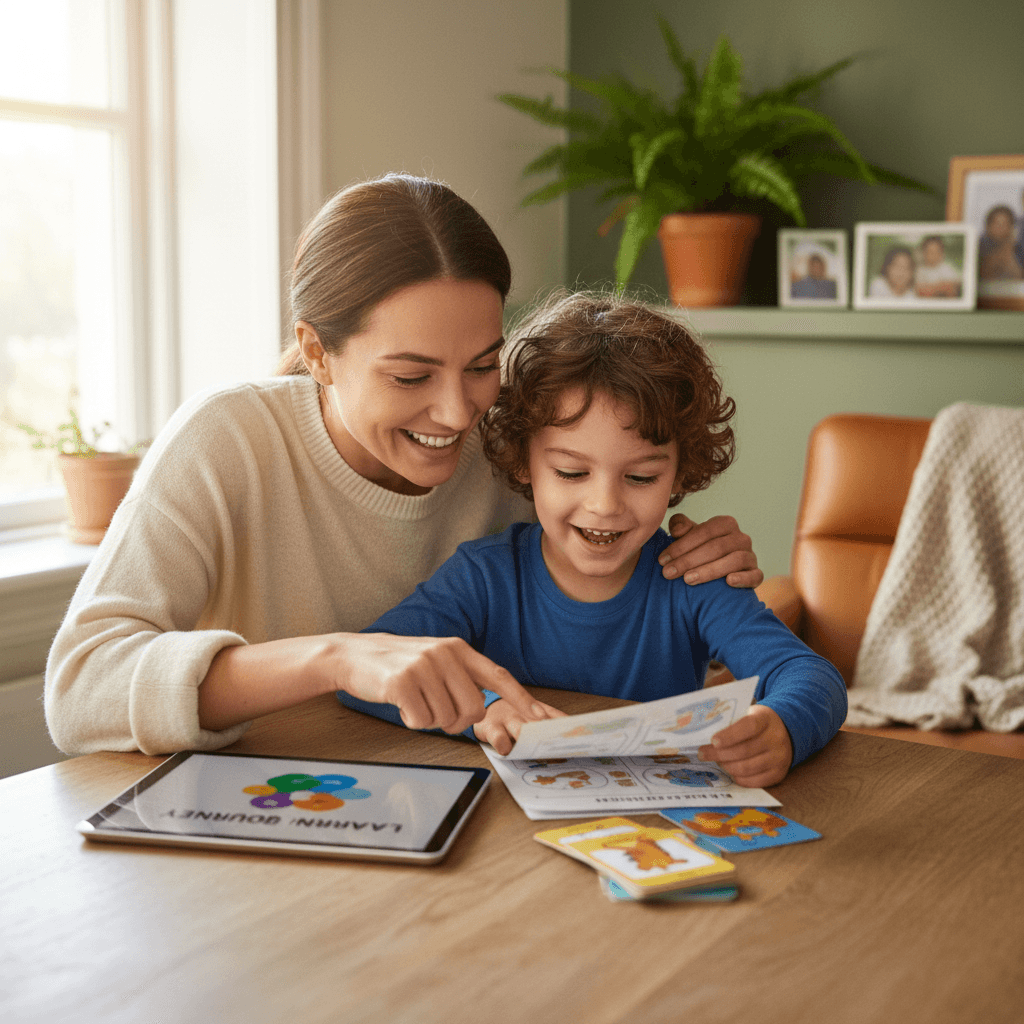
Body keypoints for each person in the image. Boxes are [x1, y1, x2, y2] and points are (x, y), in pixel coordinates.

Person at [44, 175, 762, 756]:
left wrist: (690, 556)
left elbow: (591, 581)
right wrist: (338, 658)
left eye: (483, 365)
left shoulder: (512, 437)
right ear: (318, 352)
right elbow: (80, 690)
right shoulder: (226, 439)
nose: (457, 414)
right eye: (411, 377)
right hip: (257, 815)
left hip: (449, 808)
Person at [339, 293, 847, 788]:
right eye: (570, 471)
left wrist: (782, 727)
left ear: (680, 473)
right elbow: (369, 667)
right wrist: (482, 713)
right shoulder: (485, 576)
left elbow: (809, 675)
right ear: (523, 461)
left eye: (642, 478)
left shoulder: (693, 580)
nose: (605, 504)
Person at [978, 205, 1024, 281]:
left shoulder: (1018, 248)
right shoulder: (979, 247)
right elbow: (984, 274)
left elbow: (1019, 278)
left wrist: (1008, 249)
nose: (1000, 228)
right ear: (988, 226)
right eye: (997, 224)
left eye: (1005, 224)